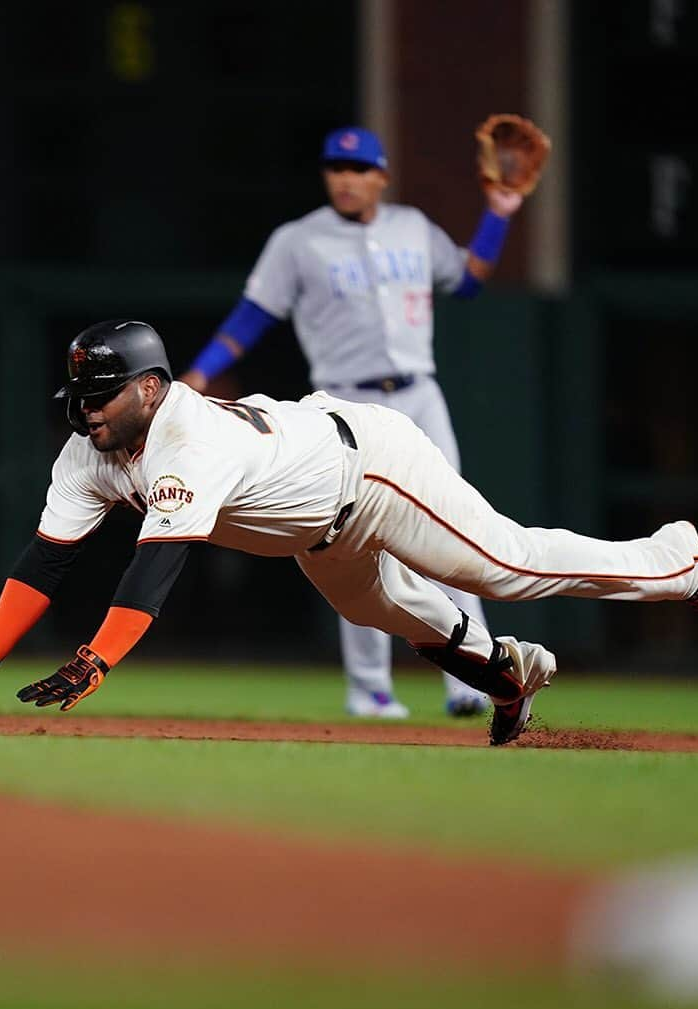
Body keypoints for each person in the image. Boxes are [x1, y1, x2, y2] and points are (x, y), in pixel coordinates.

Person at [0, 320, 698, 746]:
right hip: (317, 531)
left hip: (370, 471)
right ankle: (510, 675)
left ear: (154, 387)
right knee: (390, 616)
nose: (87, 408)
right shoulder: (90, 448)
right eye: (81, 394)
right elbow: (48, 559)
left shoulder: (188, 440)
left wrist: (97, 658)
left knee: (502, 566)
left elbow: (155, 566)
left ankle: (675, 561)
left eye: (104, 392)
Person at [181, 125, 528, 720]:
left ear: (381, 177)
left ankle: (470, 679)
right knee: (352, 543)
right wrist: (202, 374)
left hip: (419, 396)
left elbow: (468, 281)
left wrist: (498, 213)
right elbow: (251, 316)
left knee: (459, 531)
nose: (345, 178)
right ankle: (370, 688)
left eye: (359, 168)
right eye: (336, 169)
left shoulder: (413, 228)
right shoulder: (297, 241)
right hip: (345, 408)